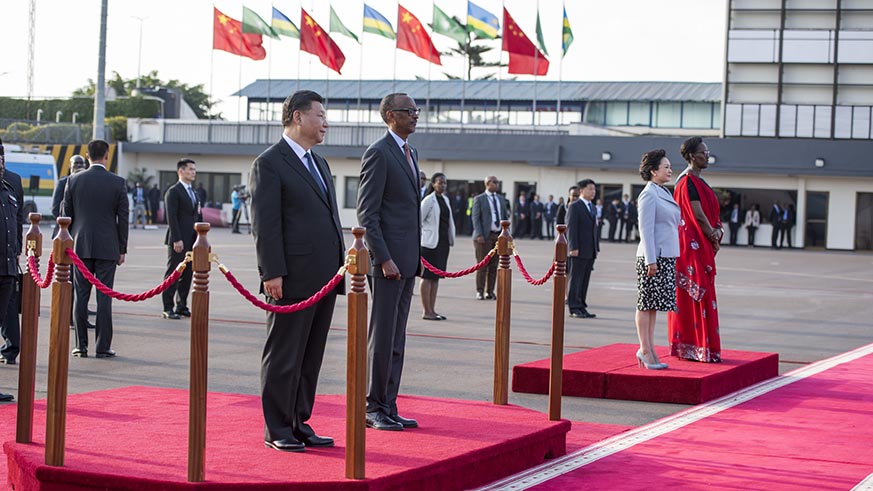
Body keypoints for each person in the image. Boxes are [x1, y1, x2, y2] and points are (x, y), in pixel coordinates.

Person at [249, 90, 346, 452]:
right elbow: (266, 224)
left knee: (310, 355)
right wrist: (271, 272)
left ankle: (299, 421)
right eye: (319, 115)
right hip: (290, 278)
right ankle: (277, 428)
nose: (326, 122)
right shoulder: (270, 163)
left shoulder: (318, 163)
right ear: (296, 117)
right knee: (284, 355)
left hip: (324, 275)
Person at [357, 93, 423, 432]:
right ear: (389, 115)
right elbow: (368, 213)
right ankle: (372, 407)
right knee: (381, 339)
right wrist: (383, 258)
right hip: (388, 265)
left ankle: (389, 404)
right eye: (408, 112)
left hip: (408, 262)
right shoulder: (379, 153)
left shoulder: (410, 153)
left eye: (416, 111)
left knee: (397, 339)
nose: (415, 116)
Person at [63, 139, 129, 359]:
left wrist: (71, 242)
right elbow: (123, 218)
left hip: (80, 246)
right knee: (104, 297)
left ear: (87, 156)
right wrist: (122, 248)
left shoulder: (73, 181)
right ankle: (102, 346)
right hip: (108, 246)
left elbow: (66, 216)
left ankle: (80, 346)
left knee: (80, 297)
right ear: (107, 156)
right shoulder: (118, 182)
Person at [667, 136, 723, 363]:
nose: (706, 155)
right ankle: (692, 347)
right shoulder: (687, 181)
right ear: (691, 156)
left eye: (707, 151)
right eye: (702, 152)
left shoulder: (700, 181)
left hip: (703, 244)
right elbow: (697, 215)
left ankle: (704, 348)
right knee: (695, 294)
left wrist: (717, 232)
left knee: (705, 294)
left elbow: (710, 215)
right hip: (691, 248)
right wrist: (712, 233)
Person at [634, 149, 681, 370]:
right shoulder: (649, 194)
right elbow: (646, 230)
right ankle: (645, 349)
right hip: (653, 257)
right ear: (653, 171)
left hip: (665, 255)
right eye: (666, 167)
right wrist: (650, 260)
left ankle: (650, 349)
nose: (670, 170)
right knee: (646, 304)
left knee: (654, 305)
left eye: (670, 167)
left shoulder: (663, 192)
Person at [51, 154, 93, 330]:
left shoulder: (87, 183)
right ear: (69, 166)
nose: (78, 166)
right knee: (67, 280)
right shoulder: (64, 183)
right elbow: (55, 210)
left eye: (81, 163)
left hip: (83, 237)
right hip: (67, 236)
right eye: (75, 164)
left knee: (83, 281)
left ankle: (80, 316)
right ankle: (67, 316)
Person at [160, 158, 202, 320]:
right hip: (179, 240)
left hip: (193, 239)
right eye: (190, 169)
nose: (193, 172)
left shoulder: (194, 192)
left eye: (194, 169)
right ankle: (168, 307)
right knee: (174, 272)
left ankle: (181, 305)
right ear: (181, 171)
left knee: (188, 273)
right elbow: (171, 217)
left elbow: (198, 215)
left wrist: (201, 237)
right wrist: (177, 239)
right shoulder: (174, 191)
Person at [0, 138, 25, 367]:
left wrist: (16, 248)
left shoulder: (12, 182)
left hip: (7, 258)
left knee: (8, 305)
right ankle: (10, 348)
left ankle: (11, 347)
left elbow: (17, 219)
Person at [419, 172, 455, 320]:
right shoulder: (428, 200)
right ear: (433, 184)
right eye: (440, 182)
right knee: (427, 277)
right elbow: (418, 220)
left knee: (436, 278)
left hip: (442, 243)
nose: (443, 185)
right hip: (429, 244)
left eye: (445, 183)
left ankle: (432, 310)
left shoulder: (445, 200)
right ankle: (426, 311)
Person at [471, 175, 508, 301]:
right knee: (482, 265)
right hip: (483, 237)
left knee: (494, 265)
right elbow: (475, 218)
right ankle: (479, 291)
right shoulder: (479, 199)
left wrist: (506, 234)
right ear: (487, 183)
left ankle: (490, 291)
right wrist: (479, 234)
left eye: (497, 182)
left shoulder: (501, 199)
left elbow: (505, 216)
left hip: (497, 236)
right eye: (494, 182)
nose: (497, 184)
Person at [566, 179, 599, 319]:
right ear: (582, 191)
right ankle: (574, 307)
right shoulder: (575, 206)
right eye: (590, 189)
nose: (593, 192)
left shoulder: (592, 207)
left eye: (594, 189)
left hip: (590, 249)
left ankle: (582, 305)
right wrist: (573, 247)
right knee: (576, 279)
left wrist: (596, 247)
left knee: (585, 279)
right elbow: (571, 228)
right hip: (578, 249)